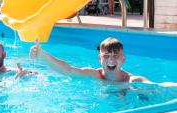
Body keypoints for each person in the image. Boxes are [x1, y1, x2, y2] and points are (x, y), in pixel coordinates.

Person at [30, 37, 177, 86]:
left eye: (115, 55)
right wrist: (43, 55)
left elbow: (161, 86)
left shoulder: (133, 80)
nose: (111, 59)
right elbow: (68, 70)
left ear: (123, 59)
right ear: (99, 59)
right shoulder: (95, 75)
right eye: (106, 56)